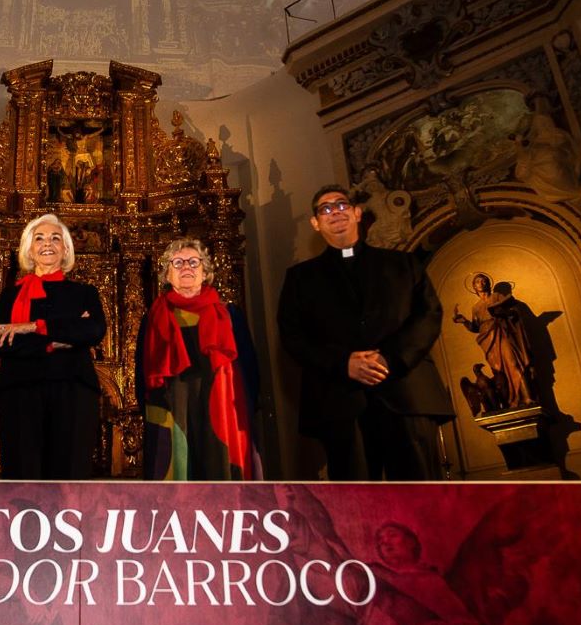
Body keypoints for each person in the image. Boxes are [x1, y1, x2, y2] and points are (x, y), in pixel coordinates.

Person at [278, 184, 454, 480]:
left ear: (357, 213)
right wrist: (342, 363)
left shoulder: (404, 264)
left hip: (407, 393)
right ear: (315, 223)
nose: (335, 212)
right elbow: (293, 336)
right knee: (355, 504)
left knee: (422, 499)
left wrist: (390, 359)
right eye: (325, 209)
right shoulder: (300, 279)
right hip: (339, 400)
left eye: (342, 205)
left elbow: (429, 315)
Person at [0, 214, 106, 479]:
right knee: (21, 476)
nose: (47, 244)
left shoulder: (85, 292)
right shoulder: (11, 295)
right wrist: (60, 339)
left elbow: (94, 330)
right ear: (29, 248)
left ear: (65, 249)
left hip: (73, 390)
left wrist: (31, 327)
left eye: (55, 238)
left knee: (68, 478)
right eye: (38, 238)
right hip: (19, 391)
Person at [137, 238, 261, 480]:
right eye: (178, 262)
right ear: (167, 274)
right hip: (170, 409)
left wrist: (246, 408)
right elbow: (141, 371)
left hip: (223, 413)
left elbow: (250, 369)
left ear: (205, 272)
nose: (187, 267)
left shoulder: (230, 314)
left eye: (194, 262)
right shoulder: (152, 318)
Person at [452, 273, 534, 408]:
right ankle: (509, 402)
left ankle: (527, 398)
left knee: (513, 363)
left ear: (488, 283)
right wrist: (464, 321)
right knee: (499, 373)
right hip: (487, 340)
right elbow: (476, 327)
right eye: (478, 281)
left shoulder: (497, 296)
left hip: (501, 332)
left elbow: (513, 312)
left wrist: (502, 312)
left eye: (484, 280)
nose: (482, 283)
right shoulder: (476, 307)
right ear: (474, 287)